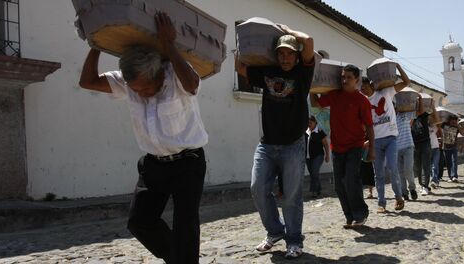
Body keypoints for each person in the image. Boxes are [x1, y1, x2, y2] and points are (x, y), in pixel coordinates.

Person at [79, 12, 207, 263]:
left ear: (159, 72)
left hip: (188, 163)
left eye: (147, 87)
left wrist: (168, 44)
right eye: (137, 90)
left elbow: (192, 84)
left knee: (185, 224)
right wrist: (97, 45)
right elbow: (88, 81)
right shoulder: (129, 83)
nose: (143, 94)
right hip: (153, 165)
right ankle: (180, 259)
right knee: (139, 222)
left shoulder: (176, 74)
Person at [236, 24, 316, 258]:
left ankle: (294, 240)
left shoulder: (303, 74)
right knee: (257, 188)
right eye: (281, 53)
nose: (285, 57)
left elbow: (309, 39)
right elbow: (240, 67)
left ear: (296, 55)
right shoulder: (267, 73)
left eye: (290, 52)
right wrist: (243, 46)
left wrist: (286, 30)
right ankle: (275, 232)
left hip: (293, 144)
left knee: (291, 195)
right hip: (267, 144)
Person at [311, 64, 374, 229]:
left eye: (349, 78)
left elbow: (369, 126)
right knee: (339, 185)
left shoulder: (362, 100)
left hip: (355, 146)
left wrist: (372, 148)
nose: (345, 80)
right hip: (337, 147)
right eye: (343, 77)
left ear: (357, 80)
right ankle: (350, 216)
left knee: (351, 180)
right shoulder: (334, 95)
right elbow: (317, 103)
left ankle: (361, 214)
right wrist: (312, 87)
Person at [359, 65, 410, 213]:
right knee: (378, 173)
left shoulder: (386, 92)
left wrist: (398, 67)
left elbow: (406, 82)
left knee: (393, 168)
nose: (364, 90)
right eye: (361, 89)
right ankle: (381, 203)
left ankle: (398, 196)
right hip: (376, 141)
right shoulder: (363, 102)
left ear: (371, 84)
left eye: (365, 87)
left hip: (391, 138)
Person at [395, 97, 418, 201]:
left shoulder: (404, 115)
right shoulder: (388, 119)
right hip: (395, 149)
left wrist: (418, 100)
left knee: (408, 170)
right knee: (400, 172)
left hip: (408, 146)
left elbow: (418, 111)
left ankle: (412, 188)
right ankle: (404, 192)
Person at [412, 96, 433, 195]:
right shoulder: (409, 115)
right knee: (417, 166)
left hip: (425, 142)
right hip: (414, 143)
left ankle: (425, 186)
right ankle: (421, 184)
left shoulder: (424, 114)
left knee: (425, 165)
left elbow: (420, 111)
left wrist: (420, 100)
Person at [305, 116, 329, 198]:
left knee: (314, 172)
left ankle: (314, 191)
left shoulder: (320, 132)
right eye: (308, 122)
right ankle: (318, 189)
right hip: (308, 157)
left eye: (311, 122)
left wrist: (327, 155)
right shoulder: (305, 132)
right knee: (313, 174)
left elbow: (325, 144)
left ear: (315, 122)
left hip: (318, 156)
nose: (309, 124)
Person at [442, 115, 460, 182]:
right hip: (446, 147)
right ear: (449, 120)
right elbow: (438, 125)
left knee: (454, 161)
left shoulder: (457, 126)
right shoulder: (444, 125)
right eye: (452, 122)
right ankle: (450, 176)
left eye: (455, 122)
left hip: (454, 146)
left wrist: (458, 126)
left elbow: (463, 133)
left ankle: (454, 176)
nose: (453, 123)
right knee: (448, 163)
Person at [428, 111, 442, 190]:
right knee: (430, 166)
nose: (430, 119)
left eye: (431, 118)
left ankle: (434, 180)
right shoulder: (424, 127)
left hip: (436, 148)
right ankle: (434, 180)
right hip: (428, 149)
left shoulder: (434, 126)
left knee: (435, 165)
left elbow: (439, 123)